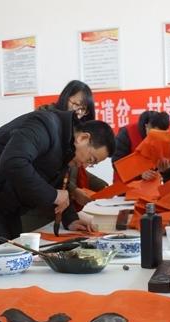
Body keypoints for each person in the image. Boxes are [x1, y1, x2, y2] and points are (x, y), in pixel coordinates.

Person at [0, 111, 115, 254]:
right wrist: (53, 195)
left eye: (93, 164)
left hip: (5, 203)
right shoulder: (44, 125)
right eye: (90, 159)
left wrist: (71, 219)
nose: (87, 165)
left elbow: (59, 183)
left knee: (17, 250)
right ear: (83, 138)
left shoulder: (66, 147)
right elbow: (13, 162)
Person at [21, 80, 108, 232]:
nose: (79, 113)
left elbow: (66, 175)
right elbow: (43, 173)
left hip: (57, 208)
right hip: (33, 207)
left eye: (84, 110)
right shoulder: (46, 124)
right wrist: (72, 191)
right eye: (76, 105)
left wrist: (71, 218)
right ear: (64, 97)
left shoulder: (73, 134)